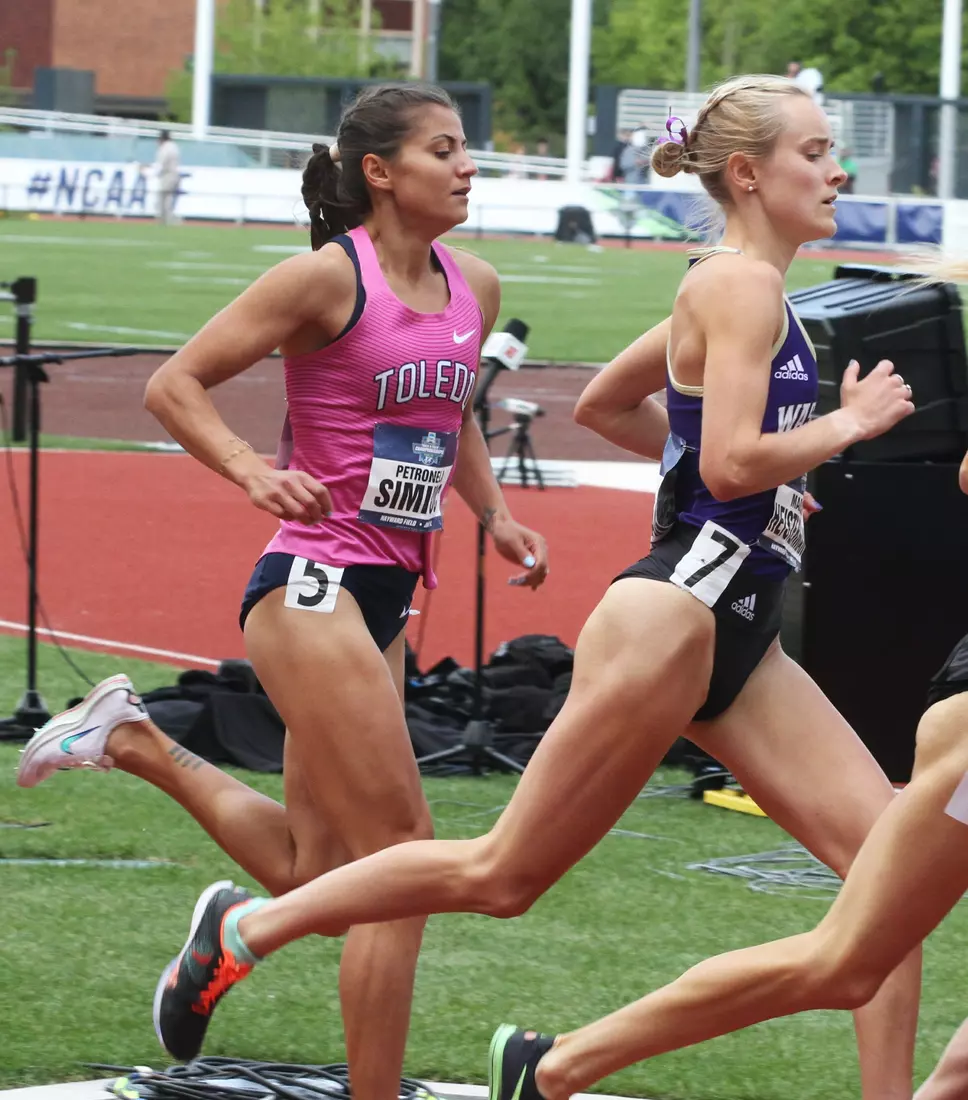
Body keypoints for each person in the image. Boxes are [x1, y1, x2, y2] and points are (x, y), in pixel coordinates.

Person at [149, 74, 919, 1099]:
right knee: (498, 872)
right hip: (671, 614)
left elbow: (612, 406)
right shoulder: (735, 286)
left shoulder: (751, 290)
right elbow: (732, 460)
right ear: (746, 172)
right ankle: (249, 927)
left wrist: (770, 482)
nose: (838, 170)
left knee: (889, 885)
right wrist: (839, 428)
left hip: (741, 624)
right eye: (815, 152)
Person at [16, 82, 548, 1100]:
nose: (469, 165)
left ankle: (134, 740)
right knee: (404, 852)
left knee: (315, 871)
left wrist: (494, 513)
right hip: (312, 582)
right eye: (444, 149)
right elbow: (173, 384)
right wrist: (252, 472)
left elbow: (451, 417)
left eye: (465, 147)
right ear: (381, 172)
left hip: (386, 593)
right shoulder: (323, 279)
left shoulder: (472, 282)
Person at [486, 544, 968, 1100]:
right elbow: (723, 486)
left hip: (746, 631)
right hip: (681, 612)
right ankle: (552, 1066)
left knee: (859, 955)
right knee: (848, 962)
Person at [154, 130, 181, 225]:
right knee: (168, 199)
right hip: (174, 174)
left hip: (167, 175)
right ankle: (168, 220)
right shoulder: (174, 146)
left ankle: (166, 220)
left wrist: (155, 173)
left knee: (163, 199)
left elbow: (161, 163)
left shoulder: (165, 148)